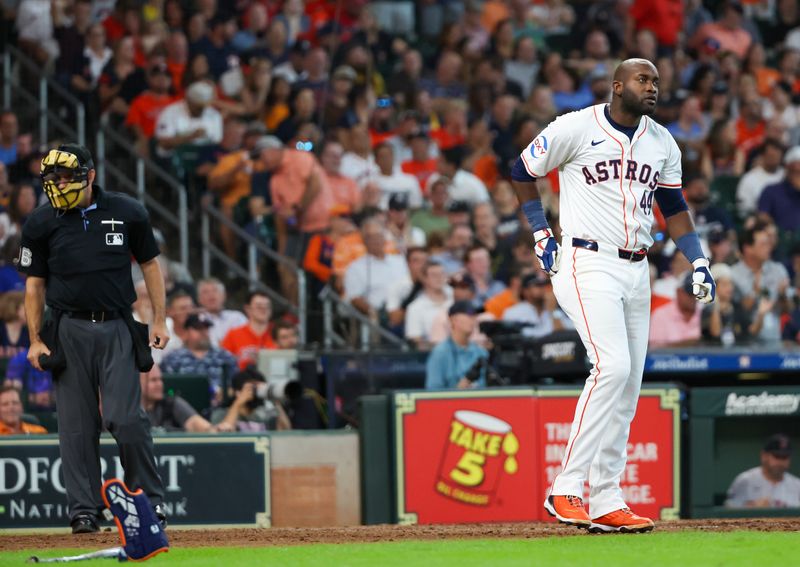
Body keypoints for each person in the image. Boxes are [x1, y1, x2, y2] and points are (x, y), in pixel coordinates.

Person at [511, 59, 715, 533]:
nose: (653, 88)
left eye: (657, 81)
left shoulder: (661, 141)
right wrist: (541, 234)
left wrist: (698, 259)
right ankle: (566, 487)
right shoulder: (577, 126)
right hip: (586, 259)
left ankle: (606, 497)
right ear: (618, 85)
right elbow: (522, 169)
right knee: (613, 367)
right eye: (644, 80)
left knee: (627, 387)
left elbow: (674, 208)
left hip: (637, 268)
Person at [19, 143, 170, 534]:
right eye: (52, 178)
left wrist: (159, 320)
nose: (58, 184)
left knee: (127, 419)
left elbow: (150, 265)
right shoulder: (40, 221)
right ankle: (84, 511)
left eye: (67, 177)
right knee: (76, 426)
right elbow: (34, 286)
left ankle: (148, 503)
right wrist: (35, 339)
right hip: (67, 328)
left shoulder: (127, 211)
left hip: (118, 323)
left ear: (91, 176)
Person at [160, 312, 239, 406]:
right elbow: (166, 389)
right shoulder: (173, 358)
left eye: (206, 328)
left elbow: (238, 385)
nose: (203, 332)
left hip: (219, 408)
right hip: (183, 409)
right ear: (186, 332)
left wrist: (228, 392)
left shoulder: (225, 356)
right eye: (198, 328)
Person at [140, 363, 226, 433]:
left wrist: (216, 430)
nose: (160, 384)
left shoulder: (171, 403)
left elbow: (195, 423)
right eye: (153, 380)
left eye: (160, 379)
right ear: (137, 382)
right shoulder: (128, 408)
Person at [425, 301, 488, 389]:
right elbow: (432, 394)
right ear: (453, 319)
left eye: (475, 315)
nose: (474, 319)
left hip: (481, 402)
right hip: (452, 402)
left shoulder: (481, 352)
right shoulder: (440, 353)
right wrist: (458, 390)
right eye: (469, 314)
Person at [726, 434, 800, 508]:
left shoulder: (797, 485)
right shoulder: (745, 480)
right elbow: (728, 509)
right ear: (764, 456)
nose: (780, 462)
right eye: (777, 456)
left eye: (785, 457)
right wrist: (751, 507)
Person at [211, 367, 292, 432]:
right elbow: (223, 435)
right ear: (237, 392)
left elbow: (285, 431)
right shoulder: (220, 414)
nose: (255, 392)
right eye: (252, 388)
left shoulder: (263, 415)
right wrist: (238, 403)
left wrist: (275, 402)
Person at [502, 272, 570, 338]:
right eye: (538, 285)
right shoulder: (513, 312)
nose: (543, 289)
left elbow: (563, 336)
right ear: (525, 291)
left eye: (544, 285)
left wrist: (553, 311)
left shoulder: (555, 311)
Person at [404, 261, 453, 350]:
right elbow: (416, 341)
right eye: (434, 275)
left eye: (442, 274)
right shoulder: (415, 308)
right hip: (432, 355)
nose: (439, 278)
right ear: (424, 279)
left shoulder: (455, 299)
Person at [221, 291, 277, 369]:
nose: (264, 310)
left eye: (267, 306)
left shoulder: (279, 332)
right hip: (243, 378)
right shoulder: (234, 334)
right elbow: (223, 362)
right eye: (259, 306)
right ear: (248, 309)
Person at [648, 273, 703, 348]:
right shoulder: (661, 314)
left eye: (697, 293)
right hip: (667, 359)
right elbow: (655, 350)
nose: (693, 297)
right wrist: (688, 344)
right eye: (690, 293)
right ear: (679, 292)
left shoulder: (703, 312)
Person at [196, 277, 247, 347]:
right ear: (199, 299)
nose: (211, 295)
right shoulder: (196, 321)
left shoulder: (237, 317)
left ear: (224, 295)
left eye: (215, 290)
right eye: (205, 292)